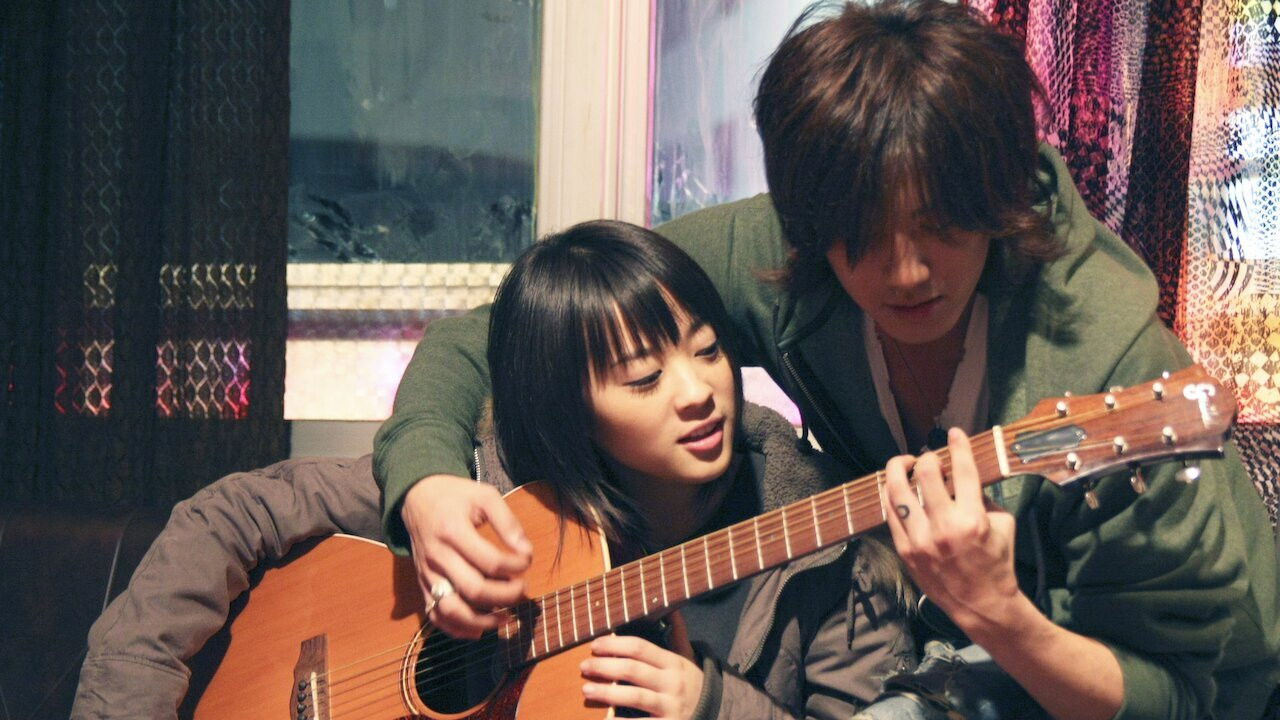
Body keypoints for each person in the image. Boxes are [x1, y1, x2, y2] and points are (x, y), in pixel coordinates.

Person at [373, 1, 1280, 718]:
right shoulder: (787, 248)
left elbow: (1183, 695)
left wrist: (999, 614)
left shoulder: (1112, 364)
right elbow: (503, 331)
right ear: (808, 223)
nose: (907, 271)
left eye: (942, 225)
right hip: (928, 642)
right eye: (863, 237)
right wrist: (426, 485)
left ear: (998, 197)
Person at [72, 221, 913, 720]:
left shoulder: (828, 550)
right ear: (569, 407)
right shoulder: (491, 482)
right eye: (643, 379)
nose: (698, 393)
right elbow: (227, 517)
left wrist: (714, 707)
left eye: (709, 351)